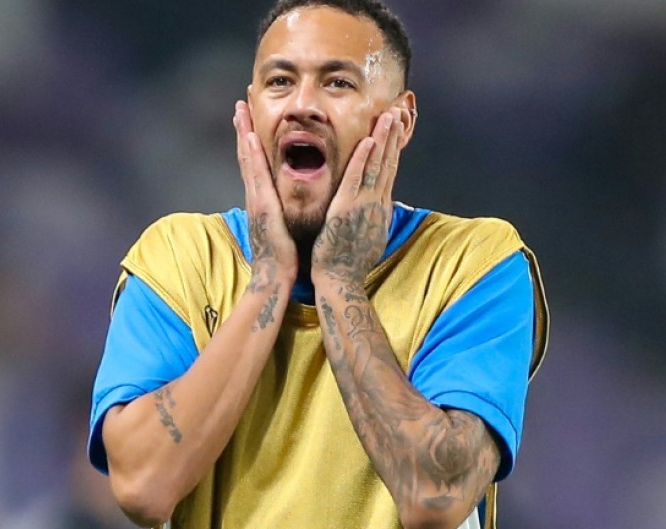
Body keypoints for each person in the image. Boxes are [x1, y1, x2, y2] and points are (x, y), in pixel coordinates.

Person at [87, 1, 549, 528]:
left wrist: (340, 281)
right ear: (250, 111)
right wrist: (267, 282)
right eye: (280, 82)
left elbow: (435, 495)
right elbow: (143, 487)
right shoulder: (180, 258)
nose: (302, 105)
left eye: (338, 84)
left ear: (401, 119)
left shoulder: (474, 265)